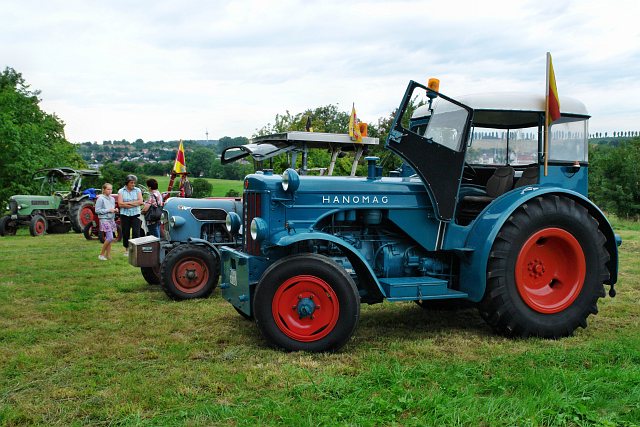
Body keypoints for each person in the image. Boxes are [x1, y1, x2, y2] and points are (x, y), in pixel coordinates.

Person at [117, 174, 143, 255]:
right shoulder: (121, 191)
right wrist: (134, 203)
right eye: (131, 182)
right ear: (127, 183)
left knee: (136, 232)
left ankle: (135, 250)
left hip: (136, 214)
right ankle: (127, 249)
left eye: (134, 183)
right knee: (126, 232)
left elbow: (140, 202)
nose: (133, 184)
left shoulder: (137, 190)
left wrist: (127, 203)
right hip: (125, 215)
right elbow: (120, 204)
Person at [95, 183, 118, 260]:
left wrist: (115, 210)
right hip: (104, 219)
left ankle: (108, 255)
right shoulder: (100, 199)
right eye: (108, 189)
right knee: (110, 237)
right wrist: (108, 210)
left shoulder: (112, 199)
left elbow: (112, 209)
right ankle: (101, 255)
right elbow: (97, 210)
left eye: (111, 189)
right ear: (104, 190)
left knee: (109, 238)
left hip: (111, 219)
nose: (110, 191)